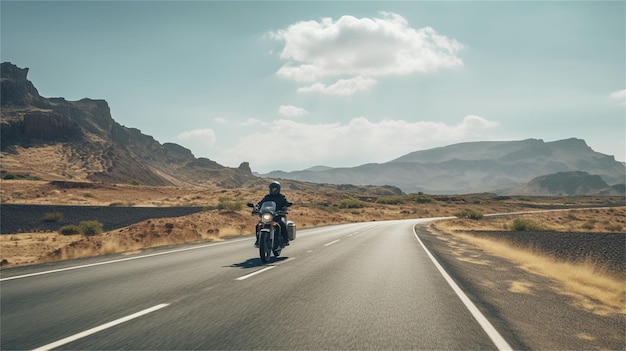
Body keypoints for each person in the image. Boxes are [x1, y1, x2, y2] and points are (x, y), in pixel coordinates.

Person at [255, 181, 292, 246]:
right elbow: (261, 203)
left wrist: (285, 207)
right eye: (271, 188)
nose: (273, 190)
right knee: (258, 225)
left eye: (274, 188)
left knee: (282, 224)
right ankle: (258, 240)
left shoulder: (281, 197)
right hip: (268, 215)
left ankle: (286, 240)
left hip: (278, 215)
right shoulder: (267, 197)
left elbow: (285, 203)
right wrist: (256, 208)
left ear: (278, 189)